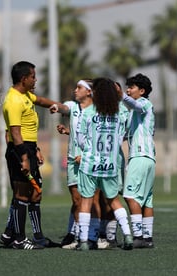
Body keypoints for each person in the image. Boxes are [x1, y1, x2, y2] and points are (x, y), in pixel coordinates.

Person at [0, 60, 61, 249]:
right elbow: (16, 133)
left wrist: (59, 106)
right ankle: (18, 239)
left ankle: (24, 236)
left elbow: (40, 101)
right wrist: (25, 158)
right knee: (22, 195)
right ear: (24, 78)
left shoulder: (25, 95)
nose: (36, 80)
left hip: (29, 148)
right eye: (33, 76)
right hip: (19, 151)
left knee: (35, 193)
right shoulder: (14, 100)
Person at [76, 77, 133, 251]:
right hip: (110, 165)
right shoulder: (118, 114)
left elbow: (80, 140)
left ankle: (84, 241)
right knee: (114, 201)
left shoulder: (88, 112)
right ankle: (128, 235)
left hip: (90, 164)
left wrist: (90, 150)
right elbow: (121, 138)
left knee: (86, 201)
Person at [50, 79, 94, 249]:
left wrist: (86, 154)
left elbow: (94, 136)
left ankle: (91, 235)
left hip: (90, 159)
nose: (75, 90)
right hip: (72, 159)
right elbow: (64, 107)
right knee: (76, 199)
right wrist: (56, 107)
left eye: (79, 87)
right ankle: (75, 235)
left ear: (89, 91)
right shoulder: (74, 106)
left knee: (90, 198)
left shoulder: (96, 111)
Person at [122, 73, 156, 248]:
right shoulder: (133, 114)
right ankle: (148, 238)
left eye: (131, 88)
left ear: (142, 91)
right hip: (148, 157)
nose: (128, 90)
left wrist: (120, 94)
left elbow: (135, 104)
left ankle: (138, 236)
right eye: (127, 87)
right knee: (146, 200)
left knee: (130, 195)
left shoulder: (144, 103)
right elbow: (124, 136)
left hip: (140, 156)